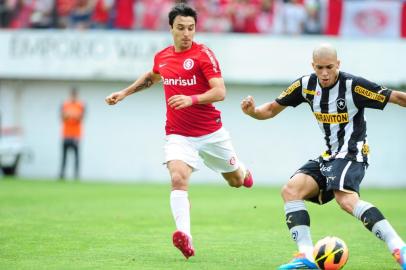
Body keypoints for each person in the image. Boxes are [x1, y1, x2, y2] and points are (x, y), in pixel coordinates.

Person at [105, 3, 253, 260]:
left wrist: (191, 99)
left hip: (211, 133)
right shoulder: (162, 56)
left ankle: (242, 169)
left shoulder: (203, 55)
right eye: (181, 28)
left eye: (191, 28)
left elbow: (220, 91)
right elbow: (152, 76)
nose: (187, 33)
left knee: (236, 181)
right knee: (178, 178)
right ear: (171, 28)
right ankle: (185, 236)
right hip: (178, 134)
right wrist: (124, 93)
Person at [241, 43, 406, 269]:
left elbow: (396, 97)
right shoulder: (305, 85)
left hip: (352, 152)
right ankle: (307, 255)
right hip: (329, 156)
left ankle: (399, 247)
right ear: (313, 66)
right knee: (291, 190)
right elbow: (270, 109)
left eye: (330, 67)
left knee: (345, 199)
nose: (325, 73)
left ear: (338, 64)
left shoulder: (353, 86)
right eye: (320, 68)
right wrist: (252, 112)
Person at [59, 87, 85, 180]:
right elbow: (62, 117)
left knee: (76, 157)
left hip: (76, 135)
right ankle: (62, 175)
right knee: (64, 156)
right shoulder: (65, 104)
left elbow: (80, 118)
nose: (73, 96)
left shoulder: (80, 105)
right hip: (66, 134)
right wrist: (71, 115)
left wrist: (70, 115)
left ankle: (76, 175)